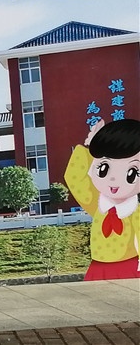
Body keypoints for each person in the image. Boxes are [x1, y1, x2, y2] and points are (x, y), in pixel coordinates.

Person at [64, 118, 140, 280]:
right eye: (104, 168)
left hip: (130, 267)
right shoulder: (96, 204)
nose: (113, 179)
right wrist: (89, 148)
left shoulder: (136, 212)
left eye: (131, 173)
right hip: (98, 268)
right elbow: (75, 177)